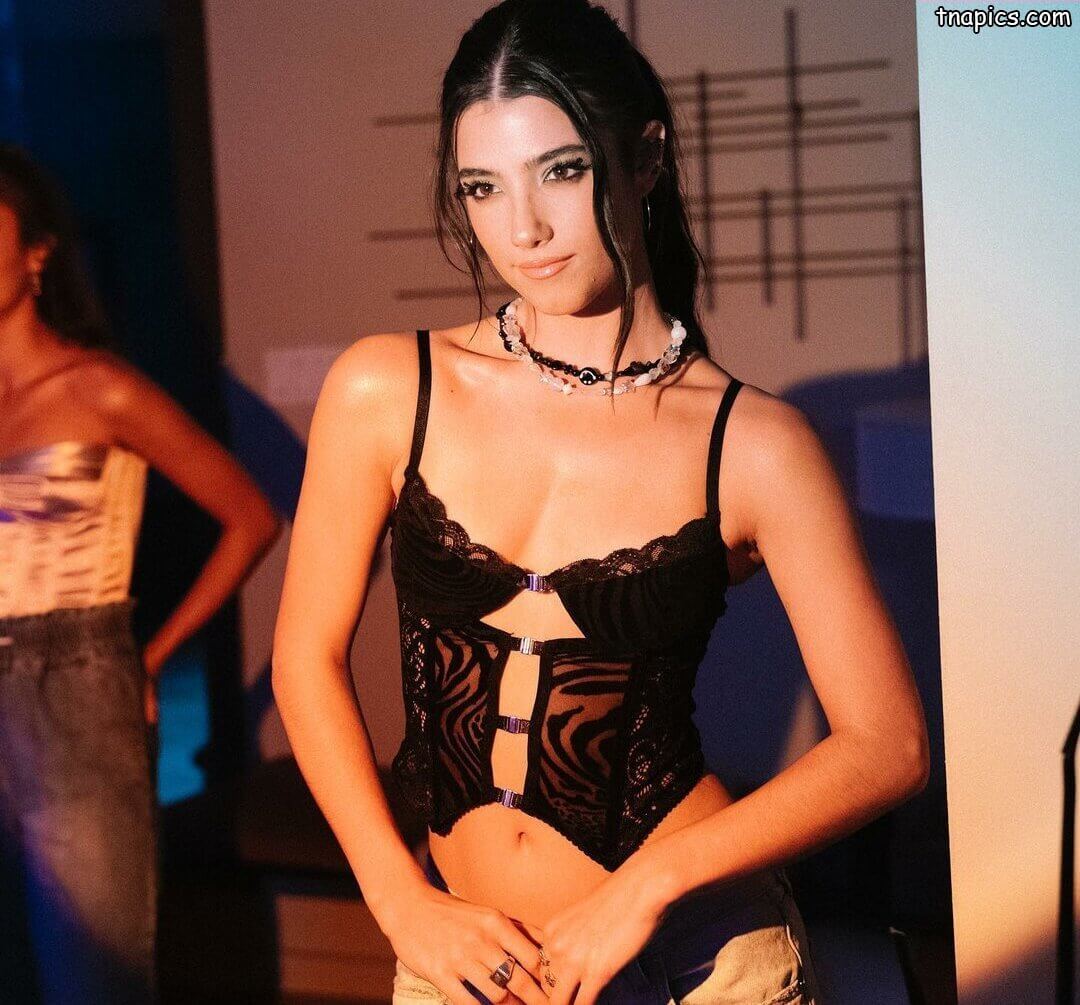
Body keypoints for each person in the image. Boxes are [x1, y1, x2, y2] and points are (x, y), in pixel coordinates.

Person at [272, 1, 930, 1002]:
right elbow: (305, 658)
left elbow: (888, 745)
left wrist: (648, 887)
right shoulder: (387, 387)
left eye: (562, 171)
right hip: (463, 959)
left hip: (698, 965)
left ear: (645, 157)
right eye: (483, 187)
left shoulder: (753, 443)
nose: (523, 229)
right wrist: (398, 897)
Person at [0, 143, 282, 1004]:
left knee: (94, 969)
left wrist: (146, 657)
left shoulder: (100, 388)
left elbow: (251, 517)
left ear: (37, 253)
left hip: (75, 681)